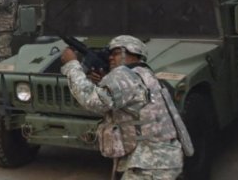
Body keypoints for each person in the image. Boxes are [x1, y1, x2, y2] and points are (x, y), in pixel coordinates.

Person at [60, 35, 187, 179]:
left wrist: (72, 65)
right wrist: (105, 82)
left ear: (132, 53)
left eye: (115, 53)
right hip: (161, 160)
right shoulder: (146, 75)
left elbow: (91, 100)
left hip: (148, 164)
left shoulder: (124, 76)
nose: (110, 58)